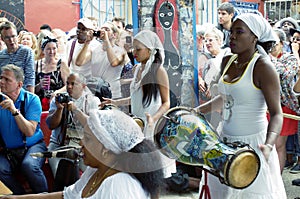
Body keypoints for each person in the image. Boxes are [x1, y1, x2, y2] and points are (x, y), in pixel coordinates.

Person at [193, 13, 286, 198]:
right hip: (225, 142)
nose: (232, 36)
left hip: (253, 147)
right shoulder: (227, 61)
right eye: (232, 31)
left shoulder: (263, 67)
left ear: (254, 37)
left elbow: (277, 114)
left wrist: (268, 144)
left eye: (239, 32)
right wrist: (197, 111)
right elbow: (225, 97)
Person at [1, 108, 165, 199]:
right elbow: (68, 195)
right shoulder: (97, 169)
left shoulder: (119, 185)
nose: (80, 143)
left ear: (105, 148)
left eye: (87, 138)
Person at [101, 29, 176, 178]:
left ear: (150, 50)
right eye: (134, 48)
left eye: (139, 49)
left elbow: (166, 103)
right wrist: (115, 102)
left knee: (154, 173)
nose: (134, 52)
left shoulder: (159, 70)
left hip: (152, 125)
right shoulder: (137, 69)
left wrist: (153, 119)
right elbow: (135, 98)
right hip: (138, 124)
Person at [46, 72, 100, 191]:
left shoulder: (92, 101)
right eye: (67, 83)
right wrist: (59, 109)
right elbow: (51, 125)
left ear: (83, 86)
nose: (69, 87)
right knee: (61, 175)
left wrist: (76, 110)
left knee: (90, 178)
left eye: (73, 84)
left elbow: (94, 126)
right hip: (59, 146)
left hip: (83, 147)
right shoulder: (59, 99)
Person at [0, 64, 48, 194]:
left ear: (19, 84)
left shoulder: (32, 99)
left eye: (7, 80)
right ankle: (20, 195)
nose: (1, 82)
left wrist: (14, 110)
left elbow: (30, 131)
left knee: (29, 166)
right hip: (8, 150)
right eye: (1, 78)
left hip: (34, 146)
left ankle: (45, 196)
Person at [269, 28, 300, 173]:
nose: (270, 47)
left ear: (281, 43)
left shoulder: (290, 58)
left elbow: (286, 74)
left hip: (284, 107)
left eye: (273, 43)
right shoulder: (263, 58)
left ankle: (277, 179)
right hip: (265, 106)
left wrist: (270, 60)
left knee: (278, 145)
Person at [76, 21, 126, 99]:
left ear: (114, 35)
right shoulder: (94, 49)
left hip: (113, 94)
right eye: (101, 29)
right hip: (96, 92)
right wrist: (87, 42)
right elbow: (79, 62)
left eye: (107, 29)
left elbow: (114, 62)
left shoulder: (120, 51)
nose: (103, 31)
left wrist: (106, 40)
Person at [34, 36, 70, 111]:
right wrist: (39, 85)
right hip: (39, 103)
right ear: (43, 50)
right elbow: (30, 88)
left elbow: (69, 85)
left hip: (57, 102)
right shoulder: (36, 65)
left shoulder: (61, 64)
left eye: (54, 48)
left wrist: (57, 92)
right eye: (48, 49)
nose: (52, 51)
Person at [0, 21, 35, 93]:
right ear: (2, 39)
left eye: (13, 36)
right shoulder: (1, 55)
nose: (11, 40)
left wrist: (29, 99)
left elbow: (30, 77)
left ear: (17, 36)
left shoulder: (26, 51)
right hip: (5, 95)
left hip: (22, 94)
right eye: (7, 37)